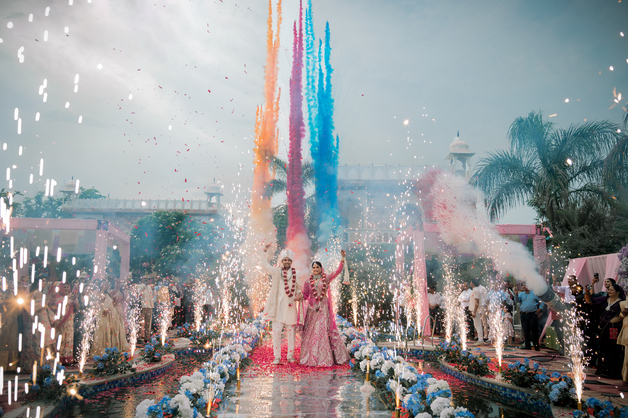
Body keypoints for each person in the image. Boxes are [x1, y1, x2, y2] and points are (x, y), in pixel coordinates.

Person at [299, 250, 350, 367]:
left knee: (321, 330)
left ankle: (324, 358)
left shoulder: (326, 278)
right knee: (311, 332)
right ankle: (310, 358)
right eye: (314, 267)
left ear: (321, 269)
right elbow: (305, 294)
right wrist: (300, 296)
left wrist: (342, 259)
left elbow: (337, 272)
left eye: (317, 267)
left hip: (323, 307)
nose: (315, 269)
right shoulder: (308, 281)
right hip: (312, 309)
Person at [261, 244, 303, 365]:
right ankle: (277, 357)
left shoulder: (297, 273)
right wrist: (264, 250)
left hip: (290, 307)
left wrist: (299, 295)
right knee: (277, 332)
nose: (286, 262)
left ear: (291, 261)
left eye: (288, 260)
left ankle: (290, 356)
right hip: (278, 307)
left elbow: (299, 288)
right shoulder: (276, 271)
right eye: (284, 260)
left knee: (291, 333)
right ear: (281, 261)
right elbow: (264, 265)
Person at [585, 283, 625, 379]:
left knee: (614, 348)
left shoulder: (622, 302)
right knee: (603, 348)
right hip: (603, 329)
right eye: (609, 290)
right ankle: (603, 370)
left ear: (618, 292)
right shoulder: (604, 300)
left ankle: (613, 372)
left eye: (612, 290)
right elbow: (590, 301)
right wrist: (587, 292)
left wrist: (622, 315)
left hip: (614, 329)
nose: (609, 292)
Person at [20, 280, 56, 372]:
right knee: (39, 343)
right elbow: (34, 308)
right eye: (43, 281)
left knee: (35, 344)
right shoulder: (37, 292)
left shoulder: (37, 292)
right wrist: (46, 302)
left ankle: (33, 366)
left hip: (37, 320)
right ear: (37, 282)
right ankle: (41, 367)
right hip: (39, 320)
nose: (46, 283)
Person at [92, 280, 130, 355]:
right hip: (104, 314)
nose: (106, 286)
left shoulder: (109, 294)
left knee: (116, 328)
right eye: (104, 284)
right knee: (104, 330)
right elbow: (98, 303)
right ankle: (103, 348)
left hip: (113, 312)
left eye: (107, 284)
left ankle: (114, 346)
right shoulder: (100, 293)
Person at [50, 281, 80, 364]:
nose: (66, 289)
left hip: (69, 322)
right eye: (64, 287)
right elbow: (57, 305)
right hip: (60, 322)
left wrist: (75, 301)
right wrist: (69, 301)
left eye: (67, 287)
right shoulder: (56, 297)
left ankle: (67, 359)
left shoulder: (70, 296)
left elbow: (77, 307)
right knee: (60, 339)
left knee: (68, 339)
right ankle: (58, 359)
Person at [469, 278, 488, 345]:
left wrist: (474, 311)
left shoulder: (476, 290)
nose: (470, 283)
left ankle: (480, 340)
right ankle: (480, 339)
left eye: (471, 282)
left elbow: (476, 302)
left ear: (473, 283)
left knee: (478, 324)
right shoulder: (474, 290)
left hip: (476, 310)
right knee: (476, 325)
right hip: (474, 310)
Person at [139, 276, 155, 342]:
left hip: (149, 306)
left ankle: (147, 336)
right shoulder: (140, 286)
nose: (146, 280)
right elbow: (139, 293)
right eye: (145, 279)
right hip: (143, 306)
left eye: (147, 279)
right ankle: (139, 337)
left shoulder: (149, 287)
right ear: (142, 279)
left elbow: (153, 295)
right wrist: (145, 285)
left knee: (148, 322)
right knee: (141, 322)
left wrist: (153, 289)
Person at [617, 299, 628, 382]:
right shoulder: (623, 303)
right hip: (626, 330)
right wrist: (623, 313)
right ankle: (625, 376)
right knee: (627, 357)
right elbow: (621, 317)